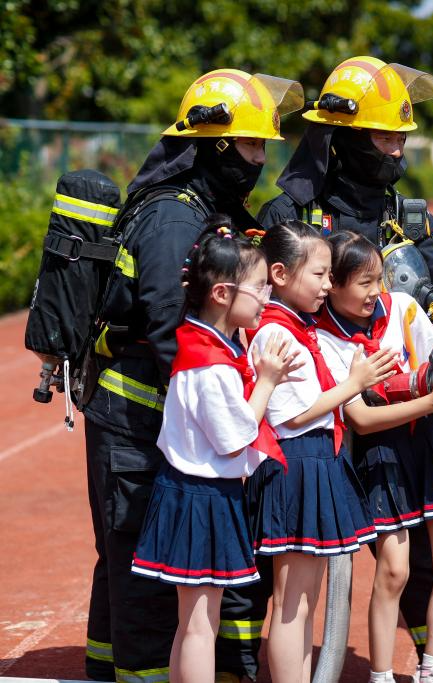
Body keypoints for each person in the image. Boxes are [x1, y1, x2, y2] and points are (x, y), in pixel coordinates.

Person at [219, 56, 433, 683]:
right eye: (383, 136)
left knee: (426, 547)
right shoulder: (291, 216)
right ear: (343, 137)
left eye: (402, 137)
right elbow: (251, 302)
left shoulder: (410, 215)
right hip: (313, 414)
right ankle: (234, 665)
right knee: (276, 545)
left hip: (395, 408)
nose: (396, 150)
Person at [81, 69, 302, 683]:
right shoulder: (174, 218)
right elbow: (166, 326)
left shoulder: (208, 209)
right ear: (216, 144)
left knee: (134, 560)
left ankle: (112, 666)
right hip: (135, 422)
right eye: (251, 145)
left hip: (158, 419)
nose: (259, 159)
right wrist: (220, 409)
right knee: (142, 567)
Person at [129, 216, 302, 683]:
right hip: (200, 497)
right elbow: (235, 438)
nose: (267, 295)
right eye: (260, 286)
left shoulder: (208, 344)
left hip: (195, 494)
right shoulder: (211, 364)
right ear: (223, 294)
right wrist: (267, 381)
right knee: (200, 625)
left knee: (193, 622)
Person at [315, 230, 433, 683]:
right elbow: (360, 420)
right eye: (363, 283)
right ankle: (381, 675)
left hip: (431, 442)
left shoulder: (403, 308)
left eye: (379, 279)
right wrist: (430, 399)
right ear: (332, 284)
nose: (375, 291)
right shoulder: (324, 337)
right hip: (381, 453)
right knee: (393, 571)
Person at [244, 220, 397, 683]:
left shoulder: (294, 327)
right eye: (319, 275)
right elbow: (292, 416)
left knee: (303, 599)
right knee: (292, 601)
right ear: (280, 274)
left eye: (330, 275)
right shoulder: (277, 332)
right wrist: (355, 383)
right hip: (295, 462)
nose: (328, 285)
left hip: (312, 460)